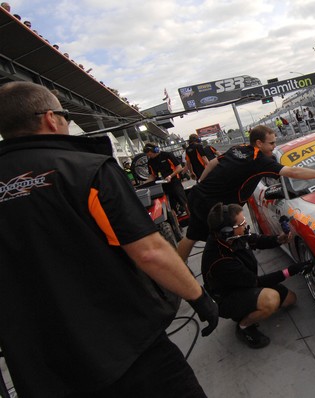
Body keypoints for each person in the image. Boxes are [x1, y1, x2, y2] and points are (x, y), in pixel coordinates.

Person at [0, 81, 218, 398]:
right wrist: (199, 297)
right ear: (50, 118)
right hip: (127, 349)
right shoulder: (85, 169)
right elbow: (149, 252)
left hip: (43, 371)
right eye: (63, 116)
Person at [177, 125, 315, 262]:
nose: (274, 147)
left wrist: (200, 184)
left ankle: (180, 271)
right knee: (217, 242)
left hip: (198, 194)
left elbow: (213, 163)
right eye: (271, 143)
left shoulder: (238, 148)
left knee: (194, 237)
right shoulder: (260, 160)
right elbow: (292, 171)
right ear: (259, 143)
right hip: (212, 204)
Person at [201, 203, 311, 348]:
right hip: (227, 298)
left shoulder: (231, 237)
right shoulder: (220, 260)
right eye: (241, 223)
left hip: (244, 284)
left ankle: (251, 308)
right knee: (271, 300)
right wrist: (290, 271)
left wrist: (279, 239)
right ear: (227, 231)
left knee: (290, 299)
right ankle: (244, 326)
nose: (245, 224)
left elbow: (255, 240)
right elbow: (255, 281)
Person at [143, 142, 190, 218]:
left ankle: (192, 218)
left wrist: (170, 176)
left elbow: (179, 167)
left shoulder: (167, 155)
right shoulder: (150, 162)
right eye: (147, 154)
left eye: (149, 154)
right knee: (170, 206)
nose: (149, 156)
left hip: (174, 182)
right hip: (163, 186)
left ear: (155, 150)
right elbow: (152, 176)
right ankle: (177, 226)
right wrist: (144, 183)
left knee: (183, 201)